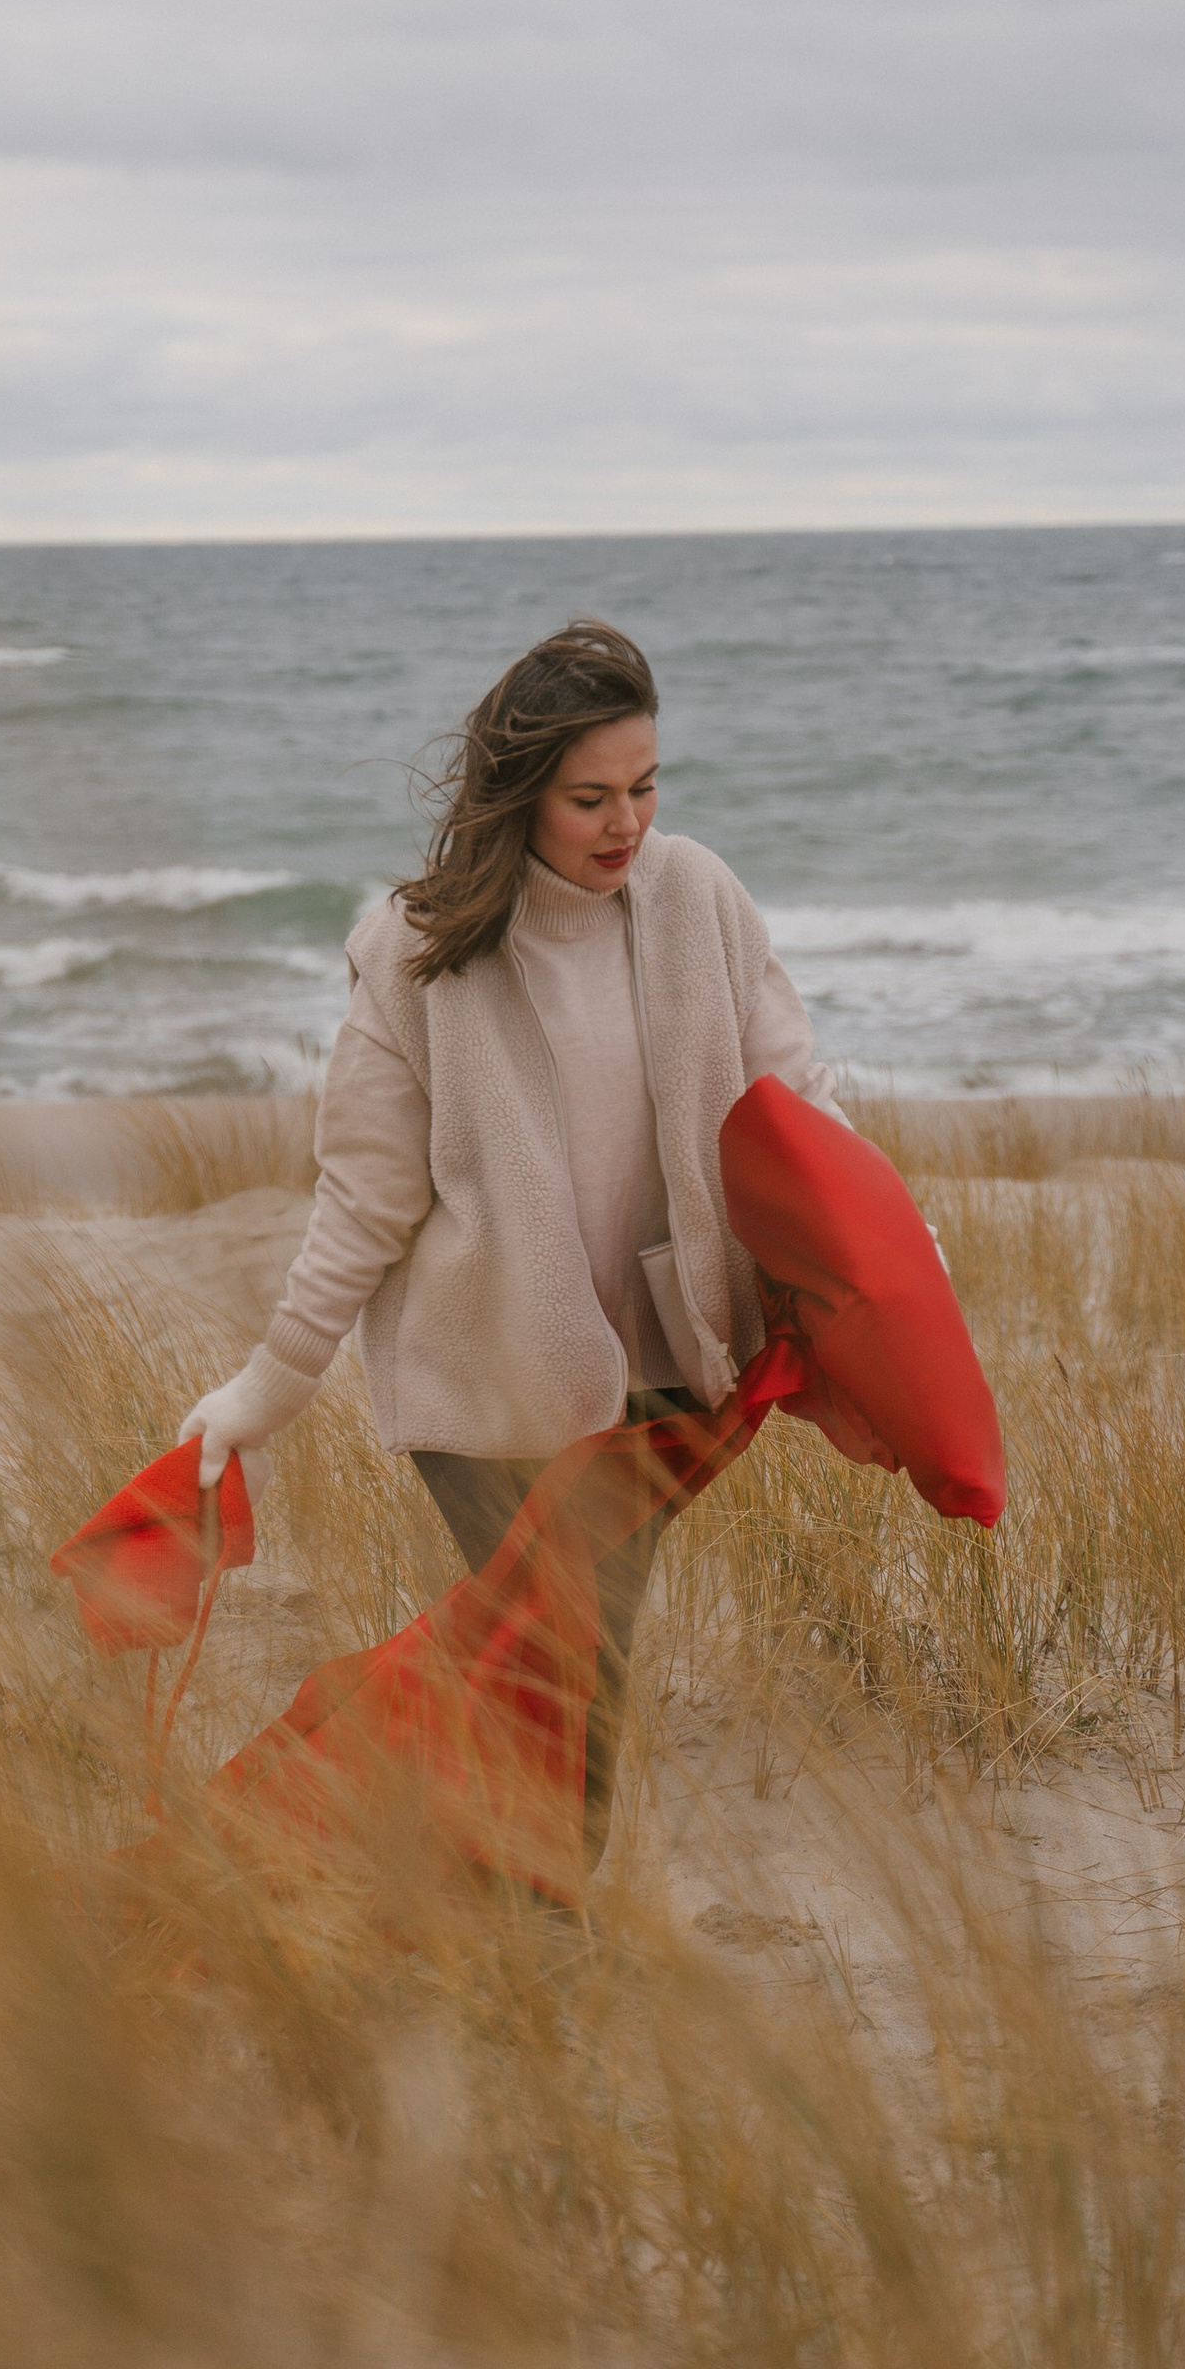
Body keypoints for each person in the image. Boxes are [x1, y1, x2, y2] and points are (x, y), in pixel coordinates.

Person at [179, 618, 837, 1863]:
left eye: (645, 786)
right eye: (590, 799)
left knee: (574, 1650)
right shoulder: (416, 952)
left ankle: (481, 1883)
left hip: (664, 1365)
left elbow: (793, 1104)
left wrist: (893, 1254)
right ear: (520, 791)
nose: (626, 824)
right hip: (485, 1377)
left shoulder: (697, 898)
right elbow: (364, 1198)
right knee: (563, 1655)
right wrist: (268, 1387)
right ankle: (531, 1912)